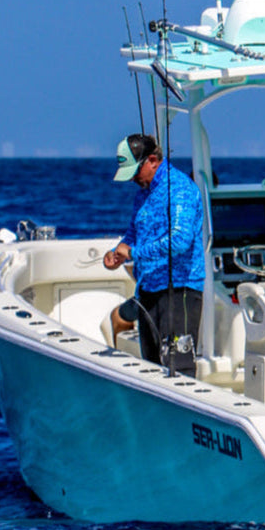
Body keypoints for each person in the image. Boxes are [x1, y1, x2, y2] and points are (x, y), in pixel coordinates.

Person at [103, 134, 206, 376]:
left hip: (178, 290)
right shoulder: (143, 192)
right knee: (151, 368)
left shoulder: (180, 188)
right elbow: (135, 232)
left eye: (135, 172)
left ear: (152, 160)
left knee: (177, 368)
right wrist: (118, 252)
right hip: (148, 290)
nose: (133, 180)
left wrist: (134, 253)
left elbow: (180, 240)